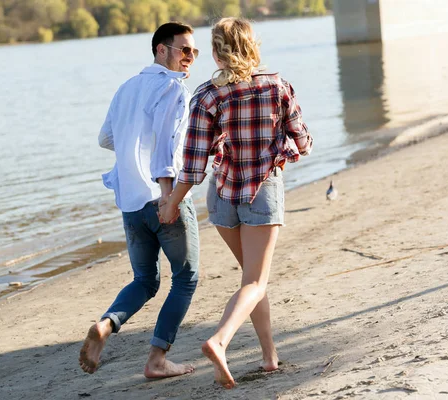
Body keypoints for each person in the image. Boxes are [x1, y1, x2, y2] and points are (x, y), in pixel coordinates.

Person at [159, 17, 313, 388]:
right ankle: (220, 340)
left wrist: (172, 204)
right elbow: (304, 141)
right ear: (251, 46)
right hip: (262, 190)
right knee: (256, 281)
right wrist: (284, 149)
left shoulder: (206, 95)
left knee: (252, 280)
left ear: (215, 52)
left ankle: (269, 356)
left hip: (223, 195)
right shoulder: (277, 85)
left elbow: (193, 165)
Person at [79, 22, 200, 379]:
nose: (190, 57)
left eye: (194, 51)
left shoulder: (126, 88)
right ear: (161, 50)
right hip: (161, 198)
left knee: (145, 280)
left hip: (130, 203)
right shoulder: (174, 88)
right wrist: (168, 196)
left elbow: (105, 138)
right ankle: (157, 360)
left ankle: (105, 325)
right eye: (184, 50)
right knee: (186, 277)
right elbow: (167, 145)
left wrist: (134, 151)